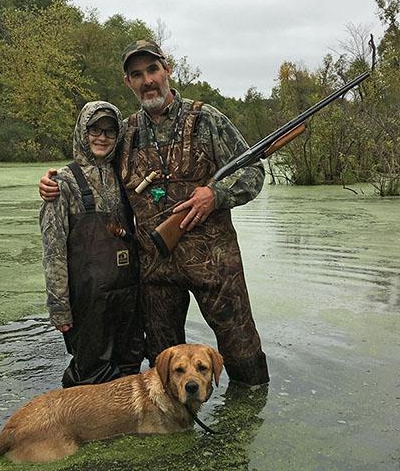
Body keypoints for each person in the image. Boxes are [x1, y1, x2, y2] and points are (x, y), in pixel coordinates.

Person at [40, 40, 269, 386]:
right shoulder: (125, 133)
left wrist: (215, 194)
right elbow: (93, 162)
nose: (147, 80)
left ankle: (249, 427)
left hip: (217, 268)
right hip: (156, 271)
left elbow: (254, 172)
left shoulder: (206, 119)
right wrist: (53, 181)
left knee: (244, 359)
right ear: (128, 82)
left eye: (152, 70)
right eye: (137, 74)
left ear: (167, 70)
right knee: (165, 371)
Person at [40, 100, 143, 387]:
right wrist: (59, 306)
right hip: (88, 300)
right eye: (94, 129)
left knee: (129, 372)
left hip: (127, 298)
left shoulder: (125, 177)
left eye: (110, 131)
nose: (102, 137)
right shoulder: (62, 182)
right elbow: (53, 251)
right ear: (82, 133)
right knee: (89, 378)